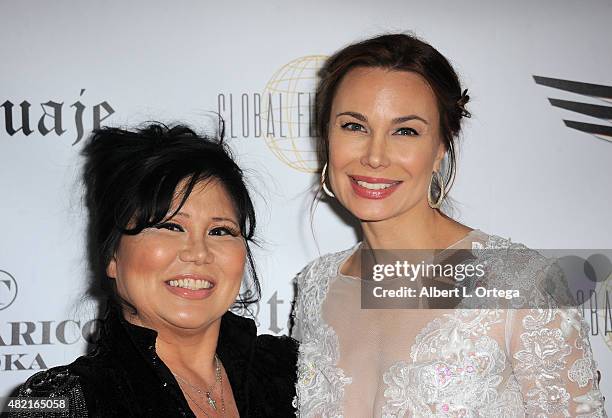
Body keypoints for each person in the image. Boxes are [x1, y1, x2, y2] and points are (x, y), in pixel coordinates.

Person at [291, 34, 605, 417]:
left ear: (441, 145)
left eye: (405, 131)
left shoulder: (522, 285)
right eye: (354, 126)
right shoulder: (315, 287)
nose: (374, 156)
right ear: (327, 137)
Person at [10, 123, 297, 417]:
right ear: (112, 255)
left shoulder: (292, 373)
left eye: (221, 231)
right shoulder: (58, 404)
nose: (198, 253)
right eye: (170, 226)